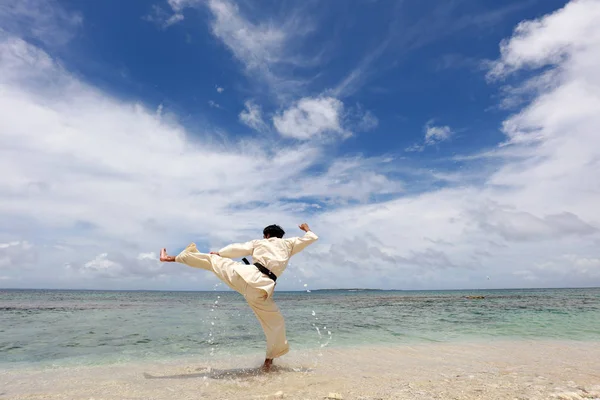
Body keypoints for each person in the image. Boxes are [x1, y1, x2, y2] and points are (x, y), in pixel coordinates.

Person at [159, 223, 318, 372]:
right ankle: (268, 362)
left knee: (212, 260)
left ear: (267, 235)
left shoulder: (259, 242)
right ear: (280, 236)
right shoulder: (289, 244)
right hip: (261, 289)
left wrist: (220, 253)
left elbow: (238, 248)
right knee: (276, 324)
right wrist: (306, 228)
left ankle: (169, 258)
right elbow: (310, 238)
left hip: (244, 276)